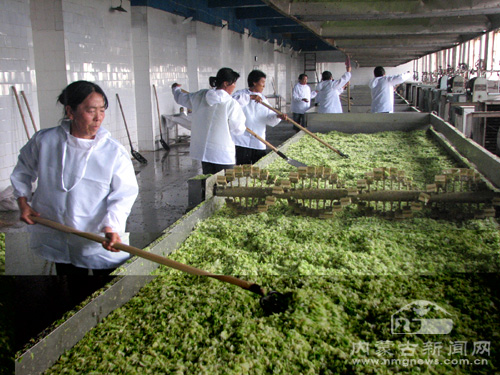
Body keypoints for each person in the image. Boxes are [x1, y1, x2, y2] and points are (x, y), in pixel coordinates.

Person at [10, 81, 139, 276]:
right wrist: (23, 203)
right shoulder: (45, 141)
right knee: (70, 283)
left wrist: (112, 225)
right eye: (91, 111)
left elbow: (124, 194)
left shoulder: (113, 152)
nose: (98, 118)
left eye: (102, 111)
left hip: (97, 235)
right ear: (70, 112)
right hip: (56, 230)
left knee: (104, 288)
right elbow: (22, 170)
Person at [172, 68, 246, 174]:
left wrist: (175, 89)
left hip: (204, 152)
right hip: (223, 154)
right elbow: (238, 129)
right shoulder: (231, 104)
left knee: (208, 182)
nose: (235, 86)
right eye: (234, 83)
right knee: (225, 185)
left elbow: (180, 98)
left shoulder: (200, 95)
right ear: (226, 83)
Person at [232, 70, 287, 165]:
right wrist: (250, 97)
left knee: (259, 168)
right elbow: (232, 104)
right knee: (242, 169)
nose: (264, 86)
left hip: (258, 139)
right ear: (254, 82)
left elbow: (268, 118)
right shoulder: (240, 94)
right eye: (262, 83)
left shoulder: (263, 99)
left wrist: (278, 116)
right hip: (241, 140)